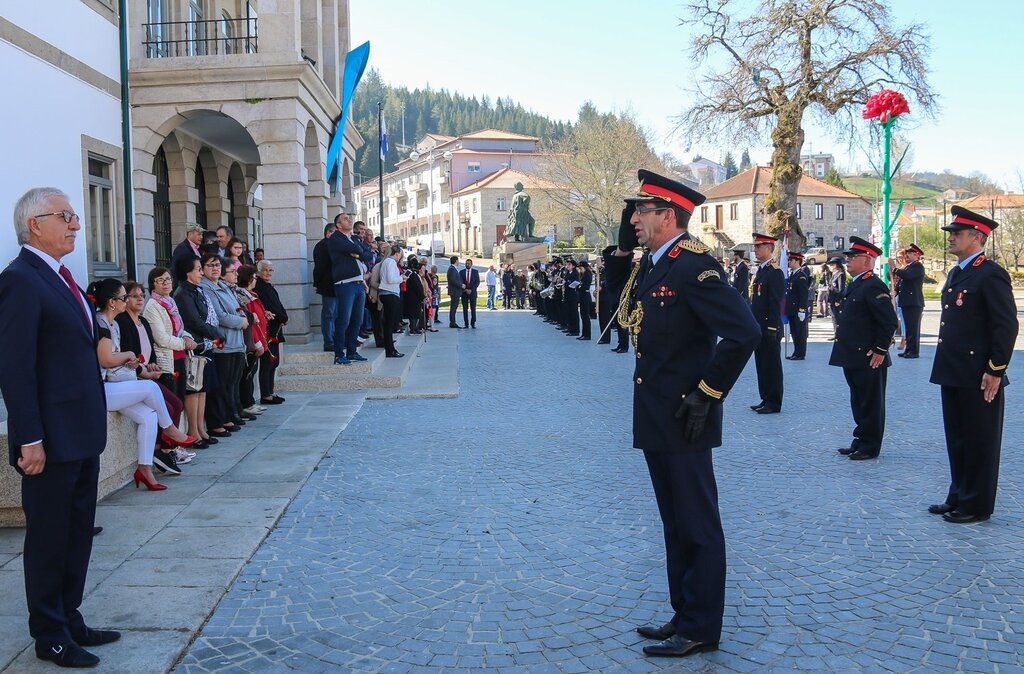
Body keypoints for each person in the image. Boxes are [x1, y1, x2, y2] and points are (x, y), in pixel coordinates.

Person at [604, 170, 759, 658]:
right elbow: (620, 309)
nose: (632, 219)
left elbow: (744, 333)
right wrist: (621, 255)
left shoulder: (694, 266)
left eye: (641, 211)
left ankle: (701, 627)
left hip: (686, 415)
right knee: (674, 521)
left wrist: (707, 393)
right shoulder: (653, 263)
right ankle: (684, 613)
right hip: (657, 413)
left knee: (697, 523)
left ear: (668, 216)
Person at [0, 188, 119, 668]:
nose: (75, 224)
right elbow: (15, 367)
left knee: (76, 533)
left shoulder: (61, 276)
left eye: (74, 216)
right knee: (49, 538)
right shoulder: (20, 281)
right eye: (65, 217)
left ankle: (69, 616)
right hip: (48, 438)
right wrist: (28, 437)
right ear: (35, 225)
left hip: (80, 432)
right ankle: (49, 633)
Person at [929, 207, 1018, 524]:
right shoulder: (956, 273)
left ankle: (976, 504)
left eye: (957, 233)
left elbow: (1005, 326)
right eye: (951, 233)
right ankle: (959, 494)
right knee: (958, 437)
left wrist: (995, 370)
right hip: (953, 370)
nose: (951, 237)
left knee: (980, 439)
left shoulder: (990, 273)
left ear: (977, 237)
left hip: (979, 374)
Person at [89, 277, 198, 484]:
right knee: (150, 387)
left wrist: (131, 362)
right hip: (100, 389)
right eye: (124, 298)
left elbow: (113, 360)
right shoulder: (101, 322)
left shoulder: (111, 323)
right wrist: (128, 354)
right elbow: (106, 359)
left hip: (114, 384)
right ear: (112, 302)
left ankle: (144, 469)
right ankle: (169, 429)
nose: (126, 301)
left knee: (148, 416)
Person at [828, 238, 898, 461]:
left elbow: (888, 321)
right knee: (858, 400)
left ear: (867, 260)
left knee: (870, 402)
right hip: (853, 354)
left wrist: (879, 349)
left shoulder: (873, 285)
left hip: (869, 356)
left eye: (852, 257)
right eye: (848, 257)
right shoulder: (858, 283)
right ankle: (860, 439)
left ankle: (870, 445)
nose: (847, 261)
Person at [115, 280, 193, 468]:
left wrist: (154, 366)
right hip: (132, 377)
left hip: (147, 374)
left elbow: (149, 352)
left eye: (142, 295)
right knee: (167, 406)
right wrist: (144, 371)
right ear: (125, 299)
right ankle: (163, 448)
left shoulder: (144, 322)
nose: (140, 299)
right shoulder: (122, 321)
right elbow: (127, 355)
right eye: (134, 296)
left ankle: (166, 448)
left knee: (176, 403)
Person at [144, 267, 204, 443]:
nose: (166, 283)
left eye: (168, 279)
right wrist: (184, 344)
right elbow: (161, 338)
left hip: (179, 358)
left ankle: (176, 445)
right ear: (152, 285)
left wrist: (187, 337)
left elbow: (178, 329)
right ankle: (168, 447)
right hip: (166, 361)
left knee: (180, 402)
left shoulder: (169, 301)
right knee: (171, 406)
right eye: (160, 280)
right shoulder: (152, 306)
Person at [173, 254, 226, 438]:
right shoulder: (182, 293)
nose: (201, 272)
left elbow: (205, 316)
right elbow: (194, 321)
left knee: (203, 389)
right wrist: (216, 333)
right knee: (194, 389)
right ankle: (193, 431)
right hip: (194, 346)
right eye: (198, 269)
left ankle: (200, 429)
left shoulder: (197, 290)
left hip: (205, 345)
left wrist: (214, 334)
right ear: (188, 272)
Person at [200, 255, 249, 431]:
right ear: (202, 268)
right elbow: (219, 316)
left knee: (233, 381)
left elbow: (238, 307)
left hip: (237, 341)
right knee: (222, 383)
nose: (215, 268)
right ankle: (222, 418)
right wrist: (240, 322)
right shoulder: (204, 288)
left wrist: (243, 317)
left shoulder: (223, 286)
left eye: (217, 265)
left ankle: (233, 412)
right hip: (223, 342)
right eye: (210, 265)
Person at [327, 213, 370, 365]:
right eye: (345, 219)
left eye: (349, 218)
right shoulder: (336, 238)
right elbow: (358, 250)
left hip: (358, 283)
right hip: (345, 284)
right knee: (344, 319)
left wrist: (357, 253)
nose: (349, 220)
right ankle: (339, 354)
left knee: (357, 320)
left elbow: (366, 254)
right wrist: (357, 251)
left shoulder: (352, 238)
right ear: (338, 225)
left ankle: (352, 351)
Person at [750, 232, 785, 414]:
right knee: (762, 364)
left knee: (772, 366)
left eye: (759, 247)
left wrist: (772, 327)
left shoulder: (775, 272)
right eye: (755, 247)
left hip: (769, 326)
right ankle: (765, 398)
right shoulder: (762, 271)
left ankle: (774, 401)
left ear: (769, 249)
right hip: (759, 326)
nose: (755, 250)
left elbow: (775, 302)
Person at [233, 265, 269, 416]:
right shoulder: (243, 296)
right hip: (252, 340)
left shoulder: (251, 294)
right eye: (254, 277)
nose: (256, 280)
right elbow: (251, 321)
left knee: (251, 372)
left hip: (259, 337)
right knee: (247, 374)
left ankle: (250, 401)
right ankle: (247, 403)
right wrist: (256, 342)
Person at [254, 260, 287, 404]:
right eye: (265, 270)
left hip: (276, 328)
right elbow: (268, 306)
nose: (268, 273)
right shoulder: (259, 287)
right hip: (268, 329)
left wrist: (284, 317)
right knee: (268, 362)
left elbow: (278, 304)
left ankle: (271, 391)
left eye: (270, 270)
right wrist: (282, 317)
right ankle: (266, 394)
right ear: (258, 271)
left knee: (274, 362)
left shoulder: (268, 286)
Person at [895, 243, 925, 359]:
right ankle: (908, 349)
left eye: (910, 253)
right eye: (906, 253)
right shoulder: (909, 266)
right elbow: (902, 282)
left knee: (913, 328)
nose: (907, 255)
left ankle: (913, 351)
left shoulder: (917, 267)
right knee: (908, 328)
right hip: (907, 300)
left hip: (914, 301)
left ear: (917, 255)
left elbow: (907, 276)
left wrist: (895, 269)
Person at [312, 222, 337, 352]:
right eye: (332, 232)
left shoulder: (337, 245)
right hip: (328, 285)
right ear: (327, 233)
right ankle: (329, 341)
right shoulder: (322, 246)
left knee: (336, 314)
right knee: (329, 314)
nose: (334, 235)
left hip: (339, 285)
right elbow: (319, 268)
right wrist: (316, 283)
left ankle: (335, 339)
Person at [377, 245, 405, 357]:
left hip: (387, 294)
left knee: (389, 323)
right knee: (389, 324)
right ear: (397, 253)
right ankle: (390, 349)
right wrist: (401, 278)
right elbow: (390, 279)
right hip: (390, 294)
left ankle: (390, 348)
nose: (400, 258)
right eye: (400, 255)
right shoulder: (391, 262)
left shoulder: (386, 262)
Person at [784, 252, 810, 360]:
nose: (789, 262)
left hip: (798, 309)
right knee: (794, 332)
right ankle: (796, 352)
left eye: (791, 260)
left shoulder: (801, 276)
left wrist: (802, 310)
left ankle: (801, 353)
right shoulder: (793, 274)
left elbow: (803, 295)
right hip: (791, 308)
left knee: (800, 332)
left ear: (797, 261)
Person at [404, 256, 426, 334]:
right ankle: (413, 328)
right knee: (414, 314)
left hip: (414, 298)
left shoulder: (411, 273)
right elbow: (417, 287)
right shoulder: (412, 274)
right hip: (413, 297)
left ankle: (416, 328)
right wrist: (423, 296)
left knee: (416, 314)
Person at [827, 257, 847, 338]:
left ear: (835, 265)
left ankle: (839, 334)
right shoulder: (834, 274)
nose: (830, 267)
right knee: (834, 317)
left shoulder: (840, 274)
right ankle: (836, 333)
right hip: (832, 299)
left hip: (836, 299)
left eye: (832, 265)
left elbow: (841, 288)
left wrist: (838, 300)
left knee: (837, 317)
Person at [577, 259, 594, 340]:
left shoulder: (587, 274)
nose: (580, 270)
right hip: (582, 296)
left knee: (585, 317)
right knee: (583, 316)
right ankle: (584, 333)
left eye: (581, 268)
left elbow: (584, 286)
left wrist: (578, 286)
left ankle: (587, 335)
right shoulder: (582, 275)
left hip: (585, 296)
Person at [446, 255, 465, 328]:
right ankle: (452, 322)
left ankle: (453, 322)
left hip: (455, 291)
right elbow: (453, 280)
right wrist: (461, 285)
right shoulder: (452, 269)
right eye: (458, 260)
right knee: (453, 307)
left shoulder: (453, 269)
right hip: (454, 291)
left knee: (454, 307)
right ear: (456, 261)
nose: (459, 262)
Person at [461, 258, 480, 328]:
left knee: (473, 309)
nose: (467, 264)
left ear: (471, 264)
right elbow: (460, 282)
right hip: (464, 293)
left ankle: (473, 323)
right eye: (466, 263)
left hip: (473, 293)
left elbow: (477, 282)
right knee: (465, 309)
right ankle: (466, 324)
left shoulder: (475, 272)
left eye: (469, 263)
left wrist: (471, 289)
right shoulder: (461, 272)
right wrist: (465, 290)